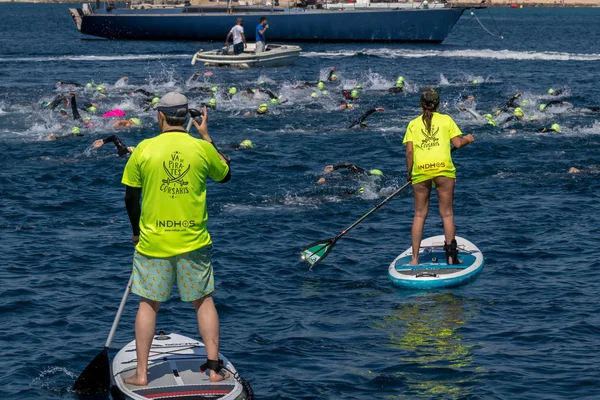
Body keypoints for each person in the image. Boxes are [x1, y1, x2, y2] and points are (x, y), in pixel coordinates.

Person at [121, 92, 231, 386]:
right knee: (203, 301)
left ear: (160, 116)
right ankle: (213, 370)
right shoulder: (200, 148)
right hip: (193, 242)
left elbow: (131, 197)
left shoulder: (143, 149)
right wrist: (207, 138)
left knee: (148, 304)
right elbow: (225, 174)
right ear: (186, 118)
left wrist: (135, 230)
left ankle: (142, 374)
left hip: (153, 243)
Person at [403, 88, 474, 266]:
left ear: (421, 104)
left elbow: (410, 152)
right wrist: (468, 139)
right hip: (444, 170)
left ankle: (414, 259)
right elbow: (457, 143)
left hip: (421, 171)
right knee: (447, 214)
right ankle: (451, 258)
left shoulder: (413, 124)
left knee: (419, 216)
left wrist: (409, 173)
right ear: (438, 104)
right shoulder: (446, 120)